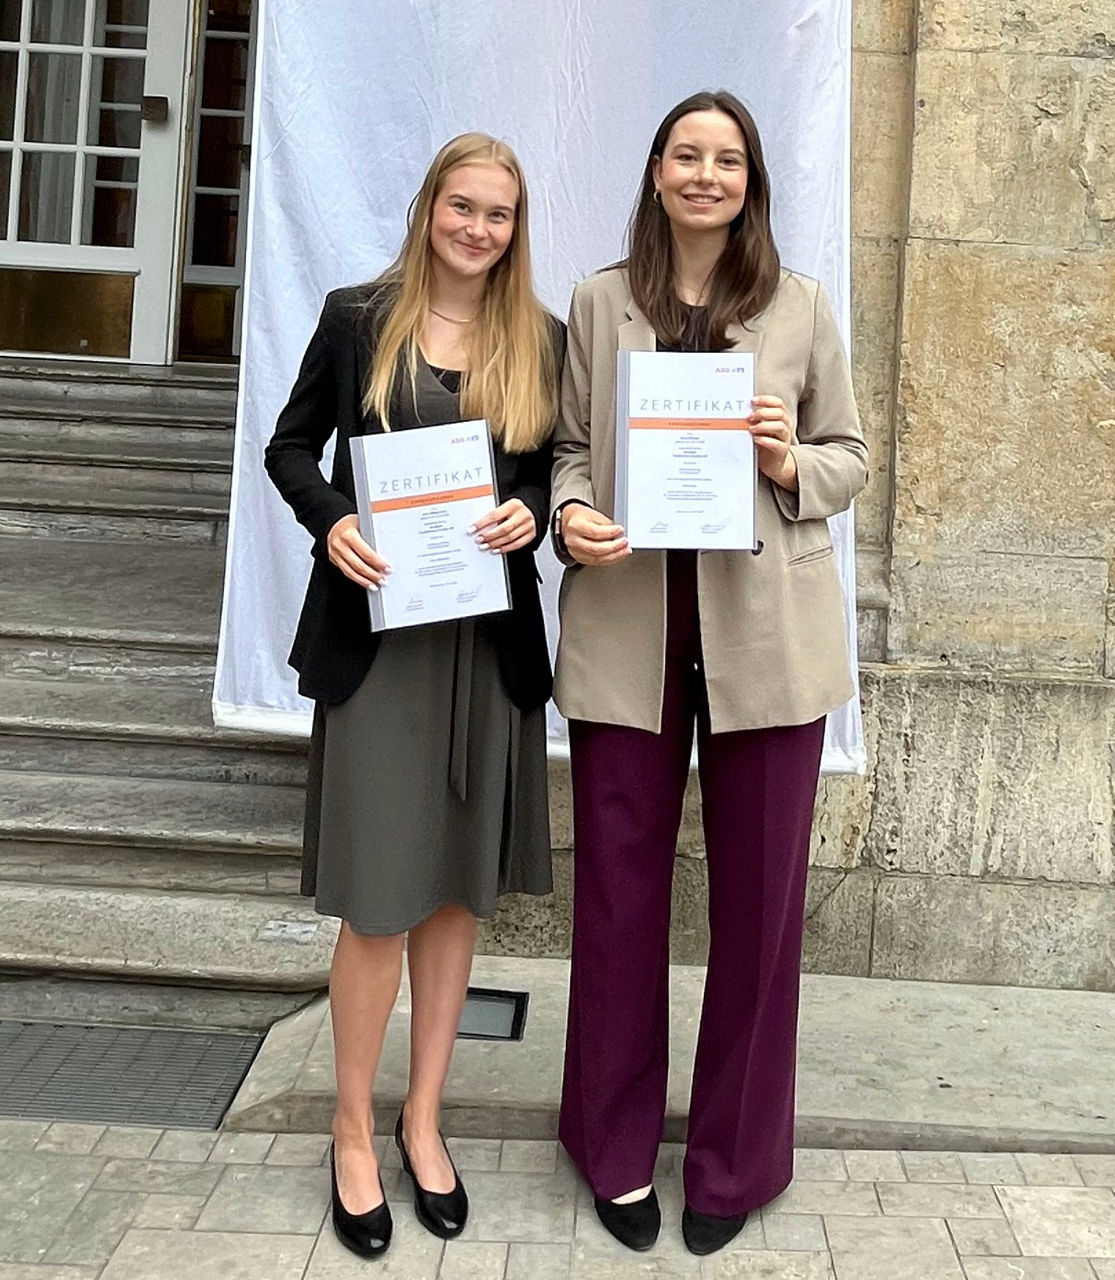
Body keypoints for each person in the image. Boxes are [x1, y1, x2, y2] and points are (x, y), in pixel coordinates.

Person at [550, 90, 867, 1257]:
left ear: (749, 181)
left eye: (725, 157)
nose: (703, 173)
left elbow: (852, 455)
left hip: (764, 641)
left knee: (759, 914)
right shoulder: (597, 300)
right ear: (653, 171)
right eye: (685, 154)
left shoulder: (800, 307)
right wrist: (571, 511)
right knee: (618, 902)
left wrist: (792, 463)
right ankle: (613, 1147)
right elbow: (571, 450)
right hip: (629, 625)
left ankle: (735, 1160)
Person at [264, 133, 561, 1261]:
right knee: (378, 901)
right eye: (462, 205)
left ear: (513, 228)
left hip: (483, 654)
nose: (477, 227)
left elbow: (546, 465)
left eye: (498, 213)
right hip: (382, 647)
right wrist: (330, 517)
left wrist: (528, 508)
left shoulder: (537, 337)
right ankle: (350, 1127)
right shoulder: (355, 317)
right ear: (428, 204)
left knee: (451, 894)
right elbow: (291, 448)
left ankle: (422, 1117)